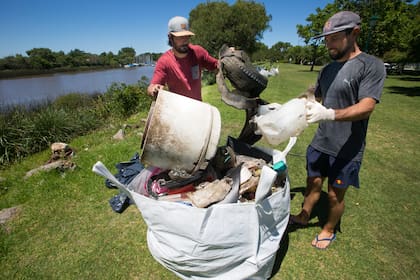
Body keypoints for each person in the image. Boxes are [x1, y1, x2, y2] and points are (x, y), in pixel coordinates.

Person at [289, 11, 386, 249]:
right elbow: (316, 97)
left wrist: (330, 114)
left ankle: (328, 229)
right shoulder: (327, 69)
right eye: (325, 39)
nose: (328, 44)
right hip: (321, 141)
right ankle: (304, 215)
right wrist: (291, 109)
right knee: (312, 184)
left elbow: (367, 107)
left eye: (333, 38)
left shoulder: (371, 66)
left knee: (334, 195)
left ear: (354, 33)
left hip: (347, 147)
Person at [147, 16, 219, 101]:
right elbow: (152, 87)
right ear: (170, 37)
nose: (185, 40)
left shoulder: (198, 52)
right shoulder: (164, 61)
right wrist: (154, 89)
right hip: (177, 110)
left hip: (198, 108)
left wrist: (229, 57)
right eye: (180, 37)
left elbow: (217, 65)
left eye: (187, 36)